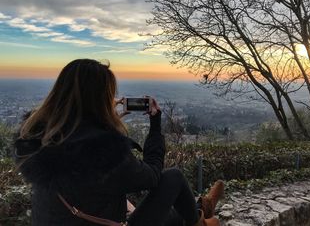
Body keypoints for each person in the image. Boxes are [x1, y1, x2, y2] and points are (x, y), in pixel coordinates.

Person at [13, 59, 224, 226]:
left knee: (174, 217)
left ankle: (201, 207)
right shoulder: (103, 152)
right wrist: (155, 124)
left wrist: (101, 124)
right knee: (174, 178)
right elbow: (151, 176)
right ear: (101, 99)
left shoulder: (35, 138)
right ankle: (200, 220)